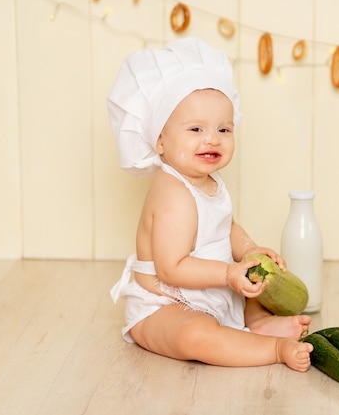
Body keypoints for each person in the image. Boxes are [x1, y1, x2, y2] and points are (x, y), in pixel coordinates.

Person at [107, 37, 313, 372]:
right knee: (195, 335)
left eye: (223, 129)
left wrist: (249, 250)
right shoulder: (172, 193)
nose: (212, 138)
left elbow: (226, 227)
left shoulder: (211, 182)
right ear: (160, 140)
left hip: (214, 291)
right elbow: (171, 269)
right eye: (196, 128)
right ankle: (273, 348)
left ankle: (255, 324)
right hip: (166, 303)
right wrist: (229, 274)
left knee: (253, 291)